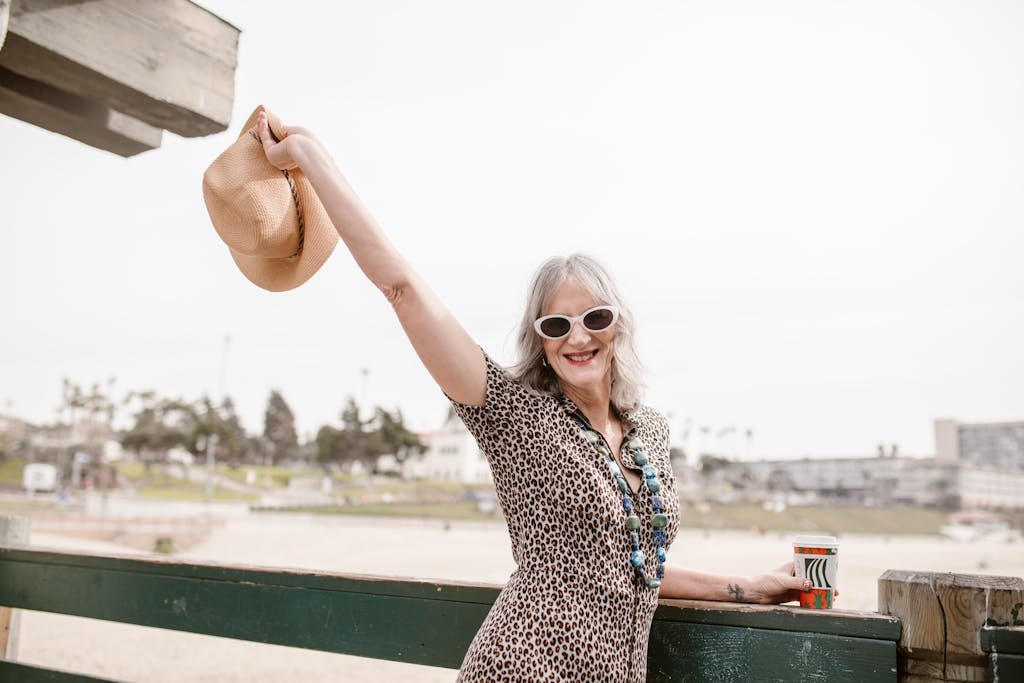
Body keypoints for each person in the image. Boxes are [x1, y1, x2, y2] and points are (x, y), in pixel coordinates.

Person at [256, 113, 811, 682]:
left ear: (617, 326)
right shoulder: (514, 416)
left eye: (594, 317)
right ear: (539, 340)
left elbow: (632, 569)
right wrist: (314, 162)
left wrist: (752, 589)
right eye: (556, 325)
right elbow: (402, 288)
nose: (577, 336)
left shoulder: (651, 431)